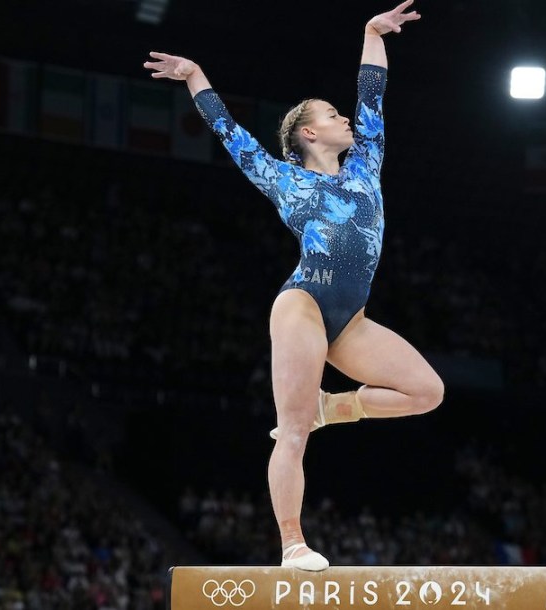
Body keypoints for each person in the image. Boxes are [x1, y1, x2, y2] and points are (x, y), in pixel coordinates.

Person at [143, 0, 444, 571]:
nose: (346, 120)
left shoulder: (366, 162)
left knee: (426, 393)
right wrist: (194, 76)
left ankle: (334, 408)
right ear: (309, 132)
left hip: (351, 319)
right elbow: (229, 133)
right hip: (303, 305)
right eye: (333, 115)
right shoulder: (281, 179)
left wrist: (372, 33)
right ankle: (292, 544)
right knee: (293, 430)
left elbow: (372, 93)